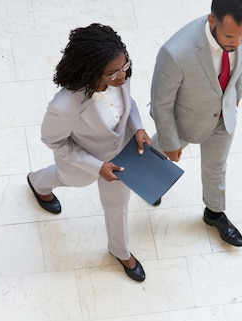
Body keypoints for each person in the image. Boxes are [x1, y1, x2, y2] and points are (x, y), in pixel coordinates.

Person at [27, 23, 152, 282]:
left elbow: (129, 106)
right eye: (113, 73)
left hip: (121, 159)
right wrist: (97, 167)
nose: (122, 76)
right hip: (81, 164)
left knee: (118, 205)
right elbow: (53, 140)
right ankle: (37, 182)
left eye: (124, 66)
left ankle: (120, 251)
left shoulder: (122, 75)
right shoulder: (63, 106)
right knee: (62, 179)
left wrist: (137, 128)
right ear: (92, 70)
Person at [150, 0, 242, 247]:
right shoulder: (175, 53)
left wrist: (237, 93)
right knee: (158, 153)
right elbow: (160, 103)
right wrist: (170, 141)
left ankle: (214, 213)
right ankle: (148, 183)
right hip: (187, 119)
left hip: (222, 117)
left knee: (216, 167)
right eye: (230, 36)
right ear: (211, 21)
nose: (237, 43)